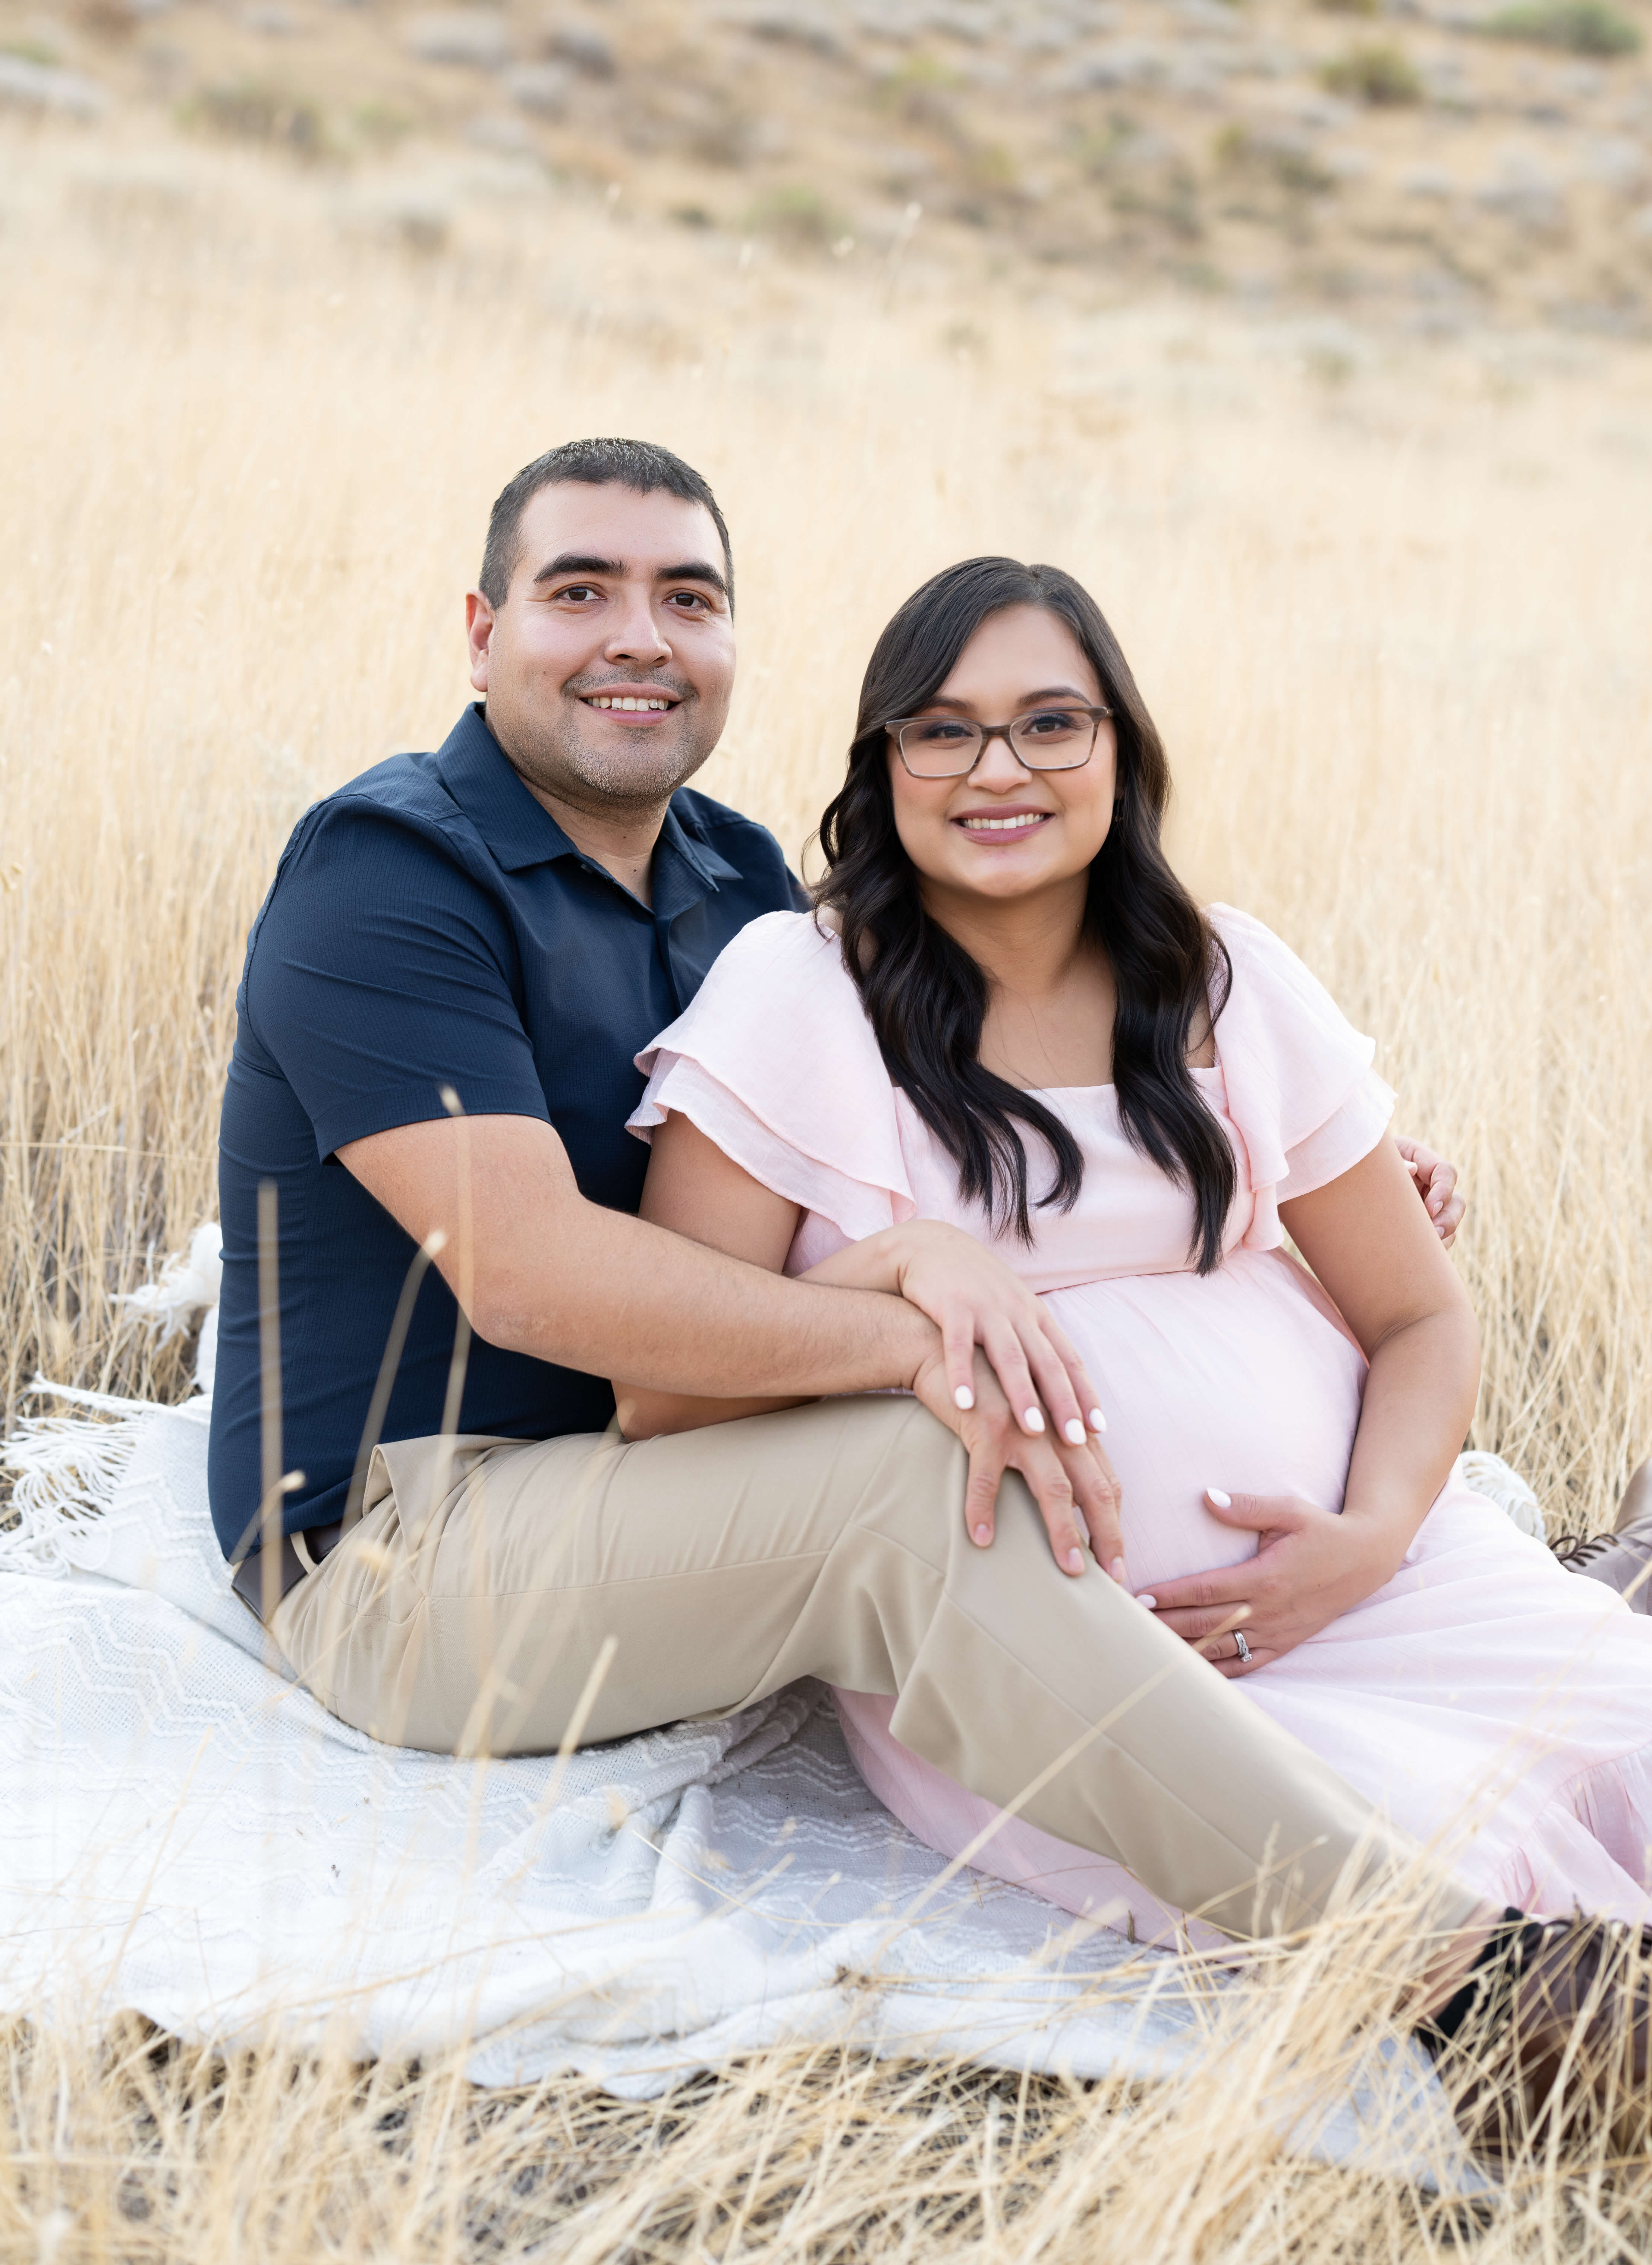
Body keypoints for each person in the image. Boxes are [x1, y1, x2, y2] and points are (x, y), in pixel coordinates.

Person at [208, 439, 1644, 2134]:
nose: (637, 638)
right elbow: (525, 1276)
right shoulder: (389, 874)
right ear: (479, 630)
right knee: (911, 1469)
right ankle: (1458, 1982)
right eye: (577, 590)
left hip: (664, 1492)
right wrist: (910, 1308)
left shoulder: (734, 884)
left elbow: (938, 1141)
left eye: (689, 597)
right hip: (415, 1532)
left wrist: (1271, 1198)